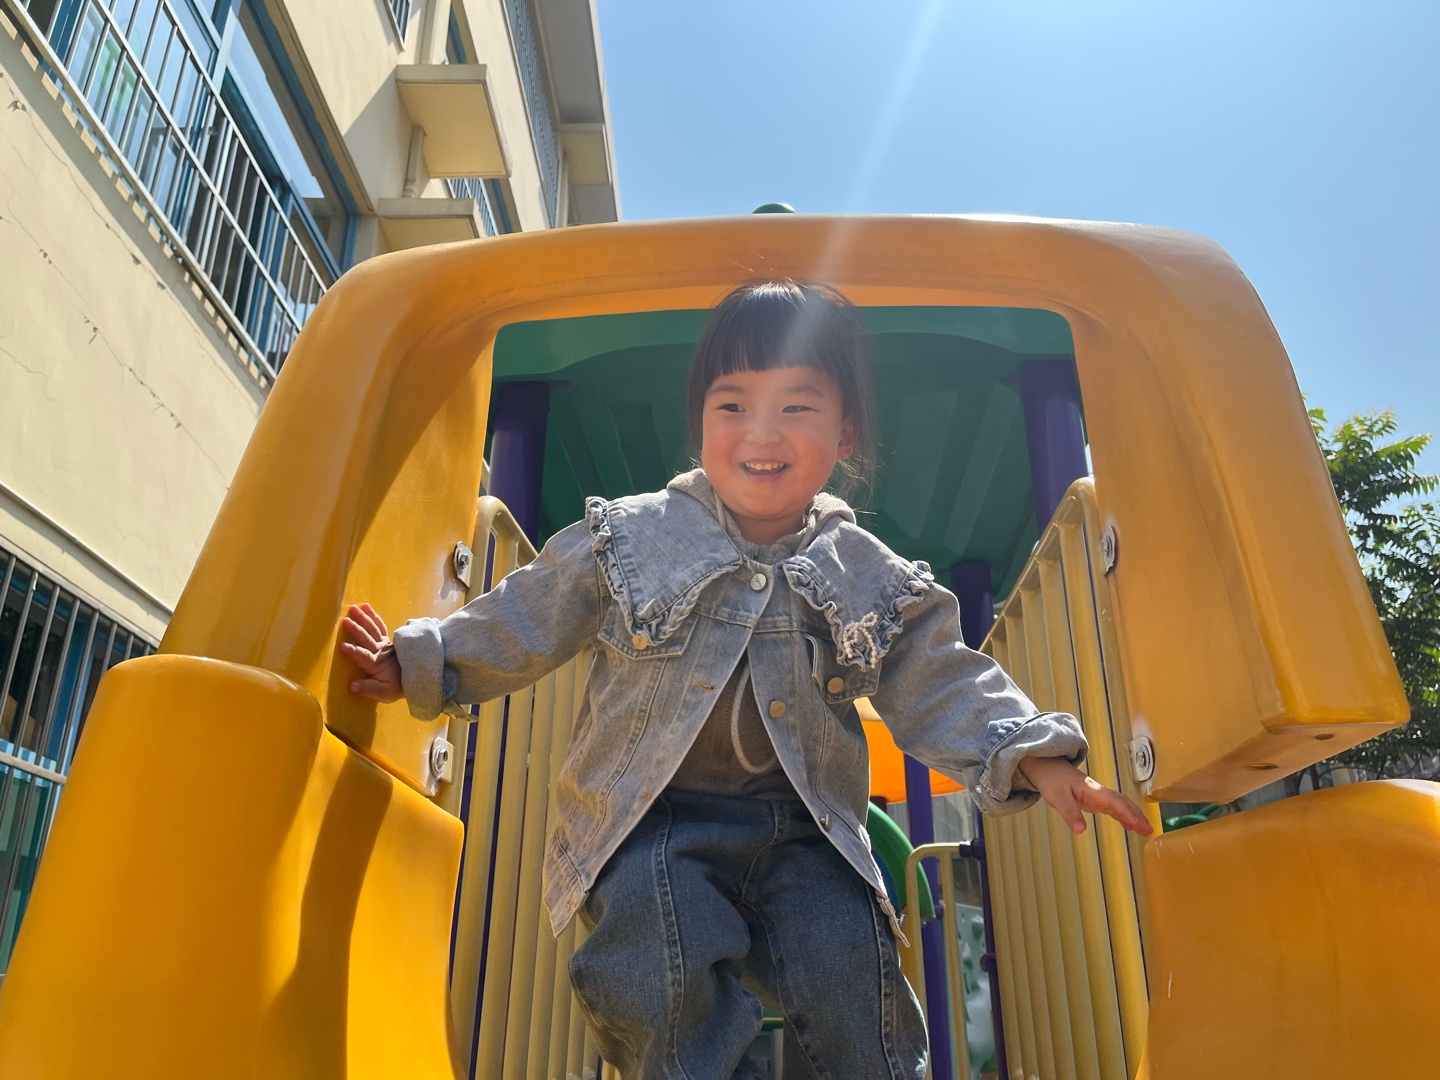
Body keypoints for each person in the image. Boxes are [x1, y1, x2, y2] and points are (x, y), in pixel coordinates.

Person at [341, 281, 1152, 1080]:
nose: (762, 431)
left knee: (856, 978)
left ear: (844, 433)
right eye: (732, 404)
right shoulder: (632, 538)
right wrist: (425, 659)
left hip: (807, 834)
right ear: (701, 423)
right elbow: (530, 610)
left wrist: (1031, 751)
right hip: (654, 823)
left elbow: (937, 672)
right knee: (654, 965)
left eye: (797, 405)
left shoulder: (862, 570)